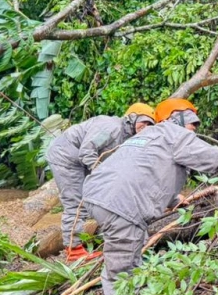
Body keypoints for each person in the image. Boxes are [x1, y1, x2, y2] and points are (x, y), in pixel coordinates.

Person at [82, 98, 218, 295]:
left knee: (125, 256)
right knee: (123, 271)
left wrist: (174, 199)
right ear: (177, 118)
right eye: (192, 123)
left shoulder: (148, 135)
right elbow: (213, 159)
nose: (194, 130)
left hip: (97, 194)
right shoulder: (175, 134)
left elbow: (144, 170)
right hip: (121, 204)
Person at [45, 103, 156, 262]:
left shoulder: (129, 137)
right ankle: (74, 250)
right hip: (66, 157)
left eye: (150, 124)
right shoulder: (112, 128)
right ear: (132, 118)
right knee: (76, 202)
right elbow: (87, 151)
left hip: (80, 160)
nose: (145, 127)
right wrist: (102, 173)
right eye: (143, 121)